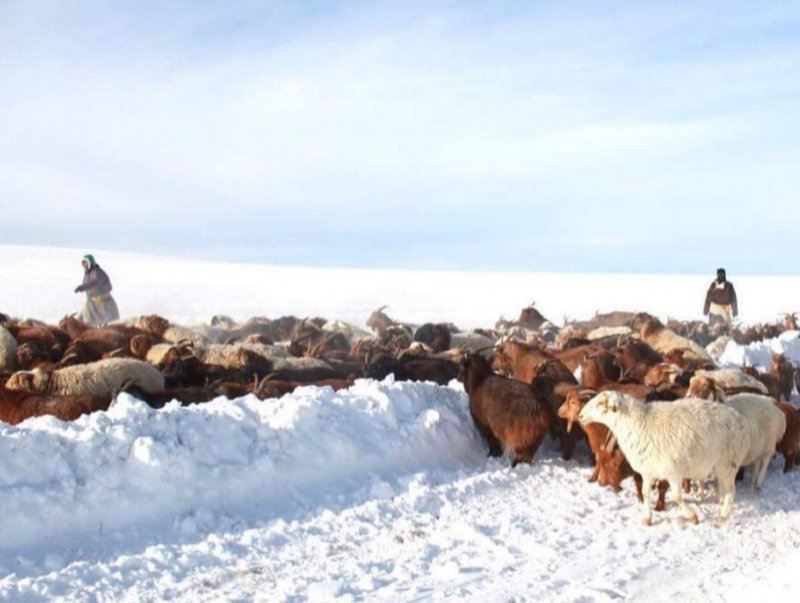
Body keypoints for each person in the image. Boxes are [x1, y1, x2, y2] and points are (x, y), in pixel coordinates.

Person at [74, 254, 120, 326]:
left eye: (86, 263)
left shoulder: (98, 272)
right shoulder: (86, 275)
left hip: (104, 303)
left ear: (90, 262)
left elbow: (95, 282)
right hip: (92, 304)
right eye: (83, 263)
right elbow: (89, 291)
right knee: (80, 321)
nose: (84, 265)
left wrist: (83, 287)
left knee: (108, 324)